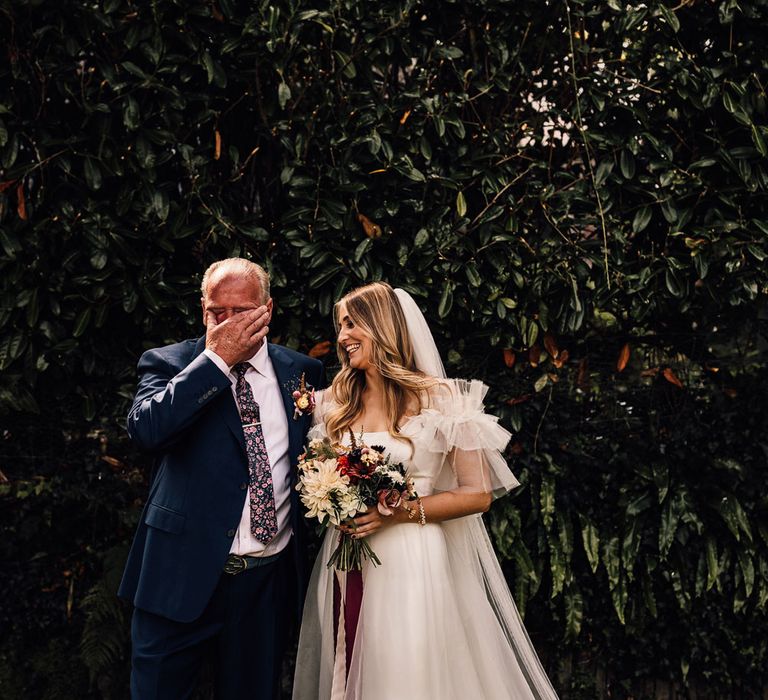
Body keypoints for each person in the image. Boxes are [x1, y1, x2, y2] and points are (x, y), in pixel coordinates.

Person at [292, 282, 559, 700]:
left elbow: (477, 493)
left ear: (381, 326)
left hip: (412, 556)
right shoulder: (333, 403)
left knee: (406, 670)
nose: (342, 337)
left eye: (351, 323)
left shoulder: (442, 398)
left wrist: (397, 512)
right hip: (346, 559)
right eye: (339, 326)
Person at [119, 258, 324, 700]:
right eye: (217, 312)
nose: (228, 322)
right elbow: (147, 431)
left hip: (264, 585)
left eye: (242, 311)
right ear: (202, 309)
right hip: (177, 580)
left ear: (267, 310)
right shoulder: (170, 363)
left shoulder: (303, 373)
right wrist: (216, 361)